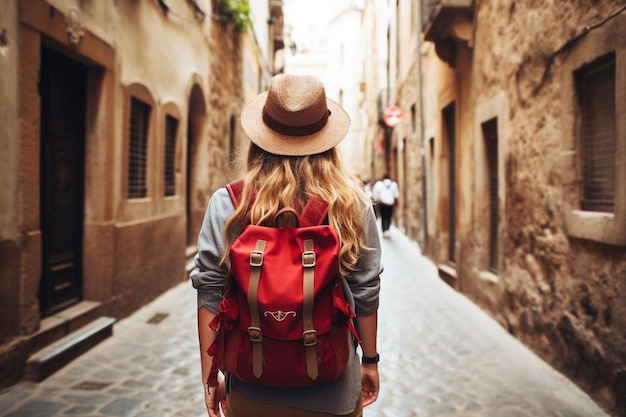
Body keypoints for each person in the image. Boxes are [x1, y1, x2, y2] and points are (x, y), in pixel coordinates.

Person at [190, 74, 382, 417]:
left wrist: (211, 375)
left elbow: (210, 293)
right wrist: (369, 360)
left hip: (251, 388)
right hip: (333, 389)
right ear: (327, 140)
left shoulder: (228, 204)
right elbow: (365, 291)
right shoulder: (353, 204)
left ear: (260, 137)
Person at [371, 174, 399, 238]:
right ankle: (387, 230)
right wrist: (397, 204)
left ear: (383, 178)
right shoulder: (394, 184)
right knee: (389, 217)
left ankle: (384, 231)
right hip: (391, 204)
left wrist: (376, 201)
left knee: (383, 217)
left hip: (382, 204)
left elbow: (375, 194)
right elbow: (396, 195)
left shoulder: (379, 184)